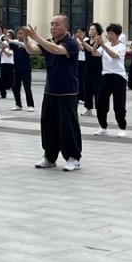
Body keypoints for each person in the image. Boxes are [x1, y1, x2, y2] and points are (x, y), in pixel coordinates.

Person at [23, 14, 83, 171]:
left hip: (67, 92)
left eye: (57, 24)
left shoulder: (71, 43)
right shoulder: (48, 42)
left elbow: (57, 50)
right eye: (51, 24)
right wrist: (26, 40)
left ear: (66, 27)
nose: (53, 27)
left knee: (68, 126)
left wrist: (37, 36)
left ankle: (73, 158)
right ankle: (49, 156)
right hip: (50, 91)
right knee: (48, 125)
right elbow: (32, 50)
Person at [92, 23, 128, 137]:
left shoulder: (121, 46)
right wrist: (96, 45)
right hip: (106, 76)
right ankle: (103, 127)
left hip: (118, 77)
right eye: (108, 33)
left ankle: (122, 128)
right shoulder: (105, 45)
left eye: (111, 33)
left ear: (117, 35)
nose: (109, 35)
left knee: (119, 104)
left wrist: (103, 45)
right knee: (100, 102)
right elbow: (95, 54)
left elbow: (114, 55)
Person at [80, 23, 104, 116]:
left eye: (92, 29)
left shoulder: (100, 41)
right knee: (87, 88)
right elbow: (82, 48)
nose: (90, 31)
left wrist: (83, 42)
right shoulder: (87, 40)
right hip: (87, 67)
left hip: (97, 68)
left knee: (97, 89)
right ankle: (88, 108)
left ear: (97, 31)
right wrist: (78, 41)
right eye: (89, 29)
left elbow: (91, 50)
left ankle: (100, 109)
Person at [10, 28, 34, 112]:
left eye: (21, 33)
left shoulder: (27, 43)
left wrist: (11, 40)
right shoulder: (15, 44)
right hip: (16, 69)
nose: (19, 35)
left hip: (26, 69)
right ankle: (18, 104)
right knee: (15, 87)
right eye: (18, 33)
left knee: (27, 88)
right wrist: (1, 42)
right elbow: (6, 45)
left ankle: (30, 105)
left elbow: (23, 45)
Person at [0, 30, 15, 100]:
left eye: (8, 36)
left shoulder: (13, 43)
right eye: (6, 35)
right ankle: (2, 93)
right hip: (3, 63)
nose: (6, 37)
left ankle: (15, 92)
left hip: (10, 63)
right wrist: (2, 49)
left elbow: (9, 54)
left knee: (11, 79)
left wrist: (4, 49)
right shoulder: (3, 43)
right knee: (1, 79)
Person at [74, 27, 87, 103]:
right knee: (77, 80)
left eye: (80, 32)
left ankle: (83, 97)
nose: (78, 33)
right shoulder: (77, 40)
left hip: (83, 61)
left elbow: (81, 48)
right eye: (77, 31)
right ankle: (77, 96)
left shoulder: (85, 40)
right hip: (77, 61)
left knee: (82, 80)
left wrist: (76, 40)